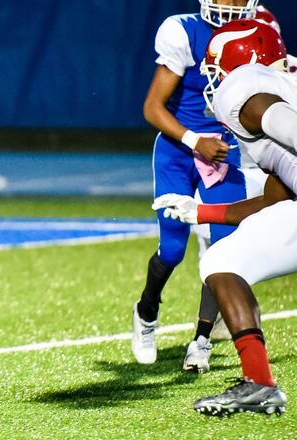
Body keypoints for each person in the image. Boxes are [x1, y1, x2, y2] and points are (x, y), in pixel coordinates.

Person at [152, 18, 294, 416]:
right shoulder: (279, 90)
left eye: (215, 68)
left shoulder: (246, 91)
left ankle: (260, 385)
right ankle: (259, 385)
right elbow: (276, 200)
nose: (213, 79)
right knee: (222, 260)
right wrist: (199, 211)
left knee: (223, 261)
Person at [132, 0, 262, 372]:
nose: (231, 4)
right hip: (178, 150)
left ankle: (201, 339)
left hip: (223, 153)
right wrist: (195, 141)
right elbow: (152, 107)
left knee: (224, 254)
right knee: (172, 250)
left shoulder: (258, 29)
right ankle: (146, 311)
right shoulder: (182, 30)